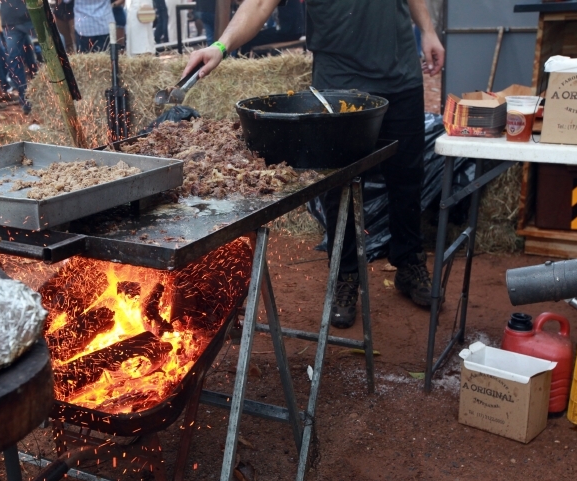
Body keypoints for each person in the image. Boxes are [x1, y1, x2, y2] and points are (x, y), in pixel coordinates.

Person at [185, 0, 444, 328]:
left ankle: (409, 263)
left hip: (401, 74)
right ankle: (345, 277)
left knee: (408, 175)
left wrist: (428, 32)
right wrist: (221, 46)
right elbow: (260, 4)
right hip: (339, 83)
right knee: (340, 186)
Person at [0, 0, 38, 114]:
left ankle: (28, 98)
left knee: (17, 60)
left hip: (14, 17)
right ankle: (30, 97)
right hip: (24, 16)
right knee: (37, 56)